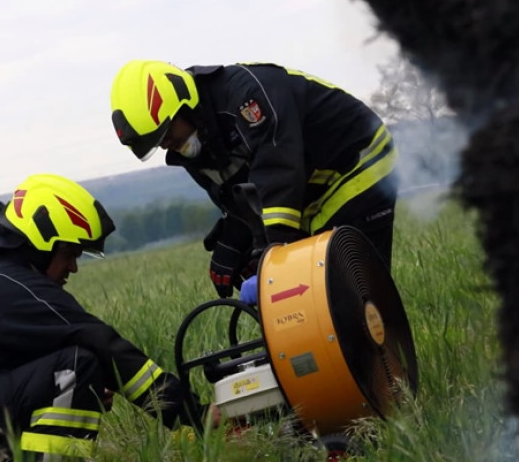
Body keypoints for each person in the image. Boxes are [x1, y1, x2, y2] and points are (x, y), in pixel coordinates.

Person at [0, 173, 204, 462]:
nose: (74, 267)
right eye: (69, 253)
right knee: (79, 365)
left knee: (72, 373)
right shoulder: (16, 285)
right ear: (41, 243)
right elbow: (103, 344)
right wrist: (193, 416)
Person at [109, 61, 399, 297]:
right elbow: (242, 193)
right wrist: (238, 238)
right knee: (313, 291)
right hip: (313, 188)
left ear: (184, 108)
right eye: (158, 144)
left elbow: (278, 168)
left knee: (343, 287)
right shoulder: (194, 144)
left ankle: (383, 358)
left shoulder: (246, 94)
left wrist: (273, 261)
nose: (166, 146)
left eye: (166, 135)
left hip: (359, 162)